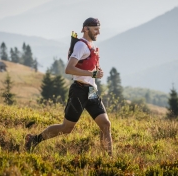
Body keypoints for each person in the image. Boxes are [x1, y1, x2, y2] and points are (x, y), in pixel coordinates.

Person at [25, 17, 113, 156]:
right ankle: (34, 139)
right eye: (96, 29)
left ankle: (109, 159)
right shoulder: (81, 46)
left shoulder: (91, 46)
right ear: (86, 29)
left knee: (105, 125)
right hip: (79, 90)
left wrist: (98, 72)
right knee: (66, 128)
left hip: (91, 90)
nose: (98, 32)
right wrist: (92, 73)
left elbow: (90, 67)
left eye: (99, 30)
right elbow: (69, 69)